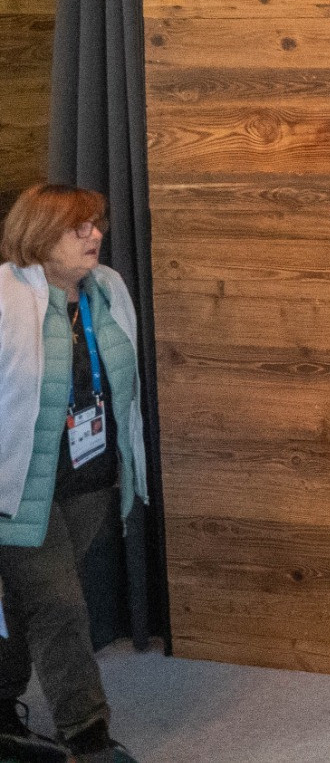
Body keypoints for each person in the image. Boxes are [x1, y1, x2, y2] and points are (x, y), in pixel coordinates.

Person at [1, 184, 148, 763]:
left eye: (96, 224)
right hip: (16, 487)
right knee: (59, 605)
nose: (96, 235)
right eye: (78, 228)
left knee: (29, 603)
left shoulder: (107, 288)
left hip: (88, 478)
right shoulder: (4, 297)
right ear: (39, 236)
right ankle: (87, 736)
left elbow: (123, 386)